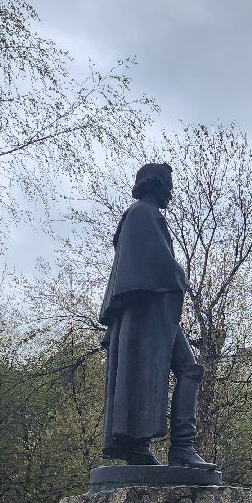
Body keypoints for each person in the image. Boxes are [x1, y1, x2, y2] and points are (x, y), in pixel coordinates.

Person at [98, 162, 217, 471]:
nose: (171, 192)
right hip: (146, 313)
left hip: (153, 312)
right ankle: (164, 448)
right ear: (157, 185)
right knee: (182, 369)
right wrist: (180, 276)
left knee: (188, 370)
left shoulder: (143, 216)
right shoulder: (142, 214)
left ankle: (179, 448)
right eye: (168, 185)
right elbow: (158, 266)